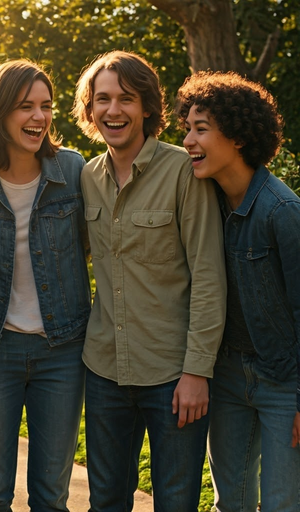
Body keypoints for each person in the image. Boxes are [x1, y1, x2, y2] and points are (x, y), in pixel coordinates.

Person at [72, 50, 226, 511]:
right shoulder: (87, 177)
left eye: (126, 99)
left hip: (173, 375)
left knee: (176, 502)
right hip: (103, 370)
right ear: (90, 109)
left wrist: (197, 371)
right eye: (102, 99)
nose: (113, 110)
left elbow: (208, 276)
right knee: (106, 502)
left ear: (146, 107)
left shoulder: (185, 171)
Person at [0, 59, 91, 511]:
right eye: (25, 107)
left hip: (63, 350)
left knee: (52, 496)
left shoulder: (73, 172)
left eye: (46, 106)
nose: (39, 117)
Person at [176, 70, 300, 512]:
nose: (188, 140)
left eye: (201, 129)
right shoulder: (204, 200)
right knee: (232, 501)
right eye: (187, 128)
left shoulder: (282, 211)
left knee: (284, 503)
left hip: (285, 382)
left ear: (240, 136)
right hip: (227, 376)